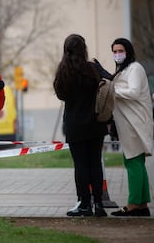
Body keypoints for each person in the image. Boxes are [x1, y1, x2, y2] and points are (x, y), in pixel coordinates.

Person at [97, 38, 154, 217]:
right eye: (114, 51)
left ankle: (133, 204)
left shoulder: (135, 68)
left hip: (135, 123)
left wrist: (111, 90)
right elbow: (115, 83)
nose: (117, 54)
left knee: (133, 163)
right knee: (136, 162)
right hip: (130, 123)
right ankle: (142, 204)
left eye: (120, 50)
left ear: (128, 51)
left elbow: (134, 92)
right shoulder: (124, 70)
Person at [53, 34, 108, 217]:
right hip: (95, 123)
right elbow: (109, 81)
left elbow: (60, 94)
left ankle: (84, 203)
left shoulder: (64, 71)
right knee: (95, 163)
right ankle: (99, 203)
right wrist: (99, 67)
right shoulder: (92, 69)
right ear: (83, 49)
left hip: (75, 125)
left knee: (81, 165)